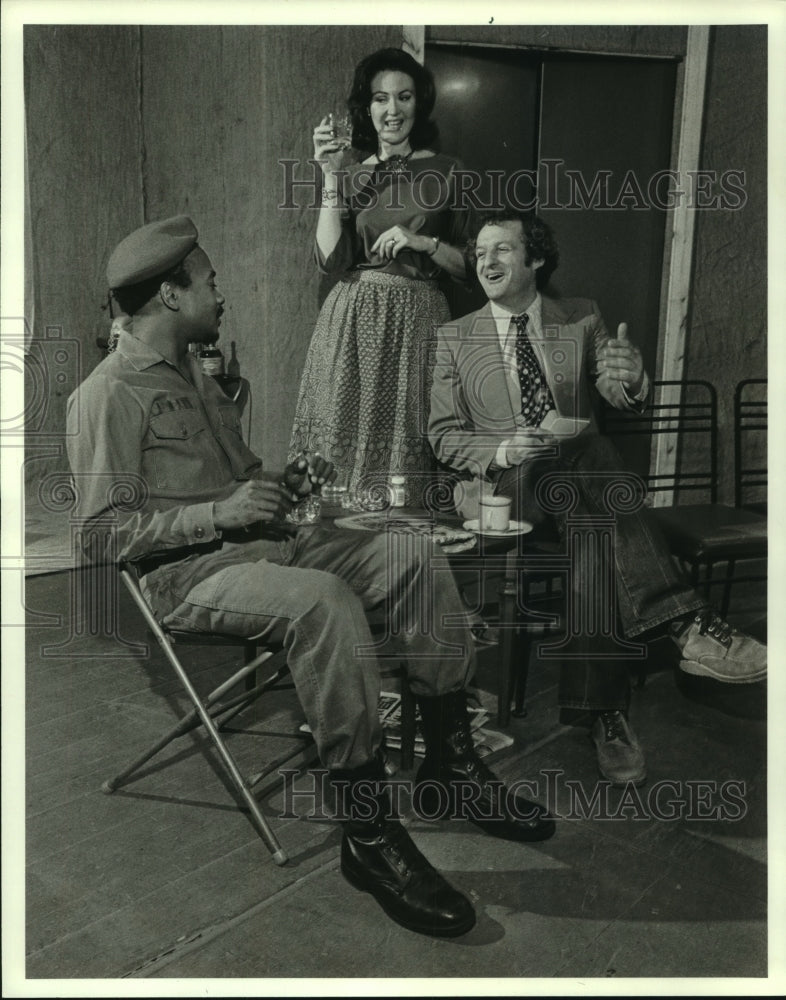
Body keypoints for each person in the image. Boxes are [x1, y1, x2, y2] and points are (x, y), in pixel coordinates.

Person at [66, 215, 556, 940]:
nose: (219, 294)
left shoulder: (197, 378)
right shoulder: (107, 394)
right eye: (208, 282)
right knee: (323, 604)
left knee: (410, 550)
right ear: (170, 296)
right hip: (189, 575)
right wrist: (217, 514)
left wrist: (293, 490)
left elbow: (245, 485)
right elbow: (99, 535)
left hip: (264, 547)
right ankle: (369, 837)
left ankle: (450, 762)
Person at [428, 207, 767, 787]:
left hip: (578, 488)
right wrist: (506, 448)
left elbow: (614, 388)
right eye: (480, 252)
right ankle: (686, 623)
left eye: (502, 250)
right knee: (590, 455)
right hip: (505, 488)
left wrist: (632, 378)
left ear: (535, 258)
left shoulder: (580, 318)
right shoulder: (453, 336)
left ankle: (603, 712)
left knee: (589, 503)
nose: (486, 261)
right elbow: (440, 433)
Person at [288, 46, 473, 503]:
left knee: (409, 442)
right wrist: (329, 175)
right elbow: (331, 260)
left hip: (420, 320)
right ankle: (335, 554)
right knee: (339, 451)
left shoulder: (449, 171)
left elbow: (471, 268)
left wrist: (423, 243)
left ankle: (398, 558)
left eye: (404, 97)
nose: (393, 110)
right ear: (366, 108)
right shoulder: (350, 175)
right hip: (354, 321)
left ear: (419, 103)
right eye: (380, 98)